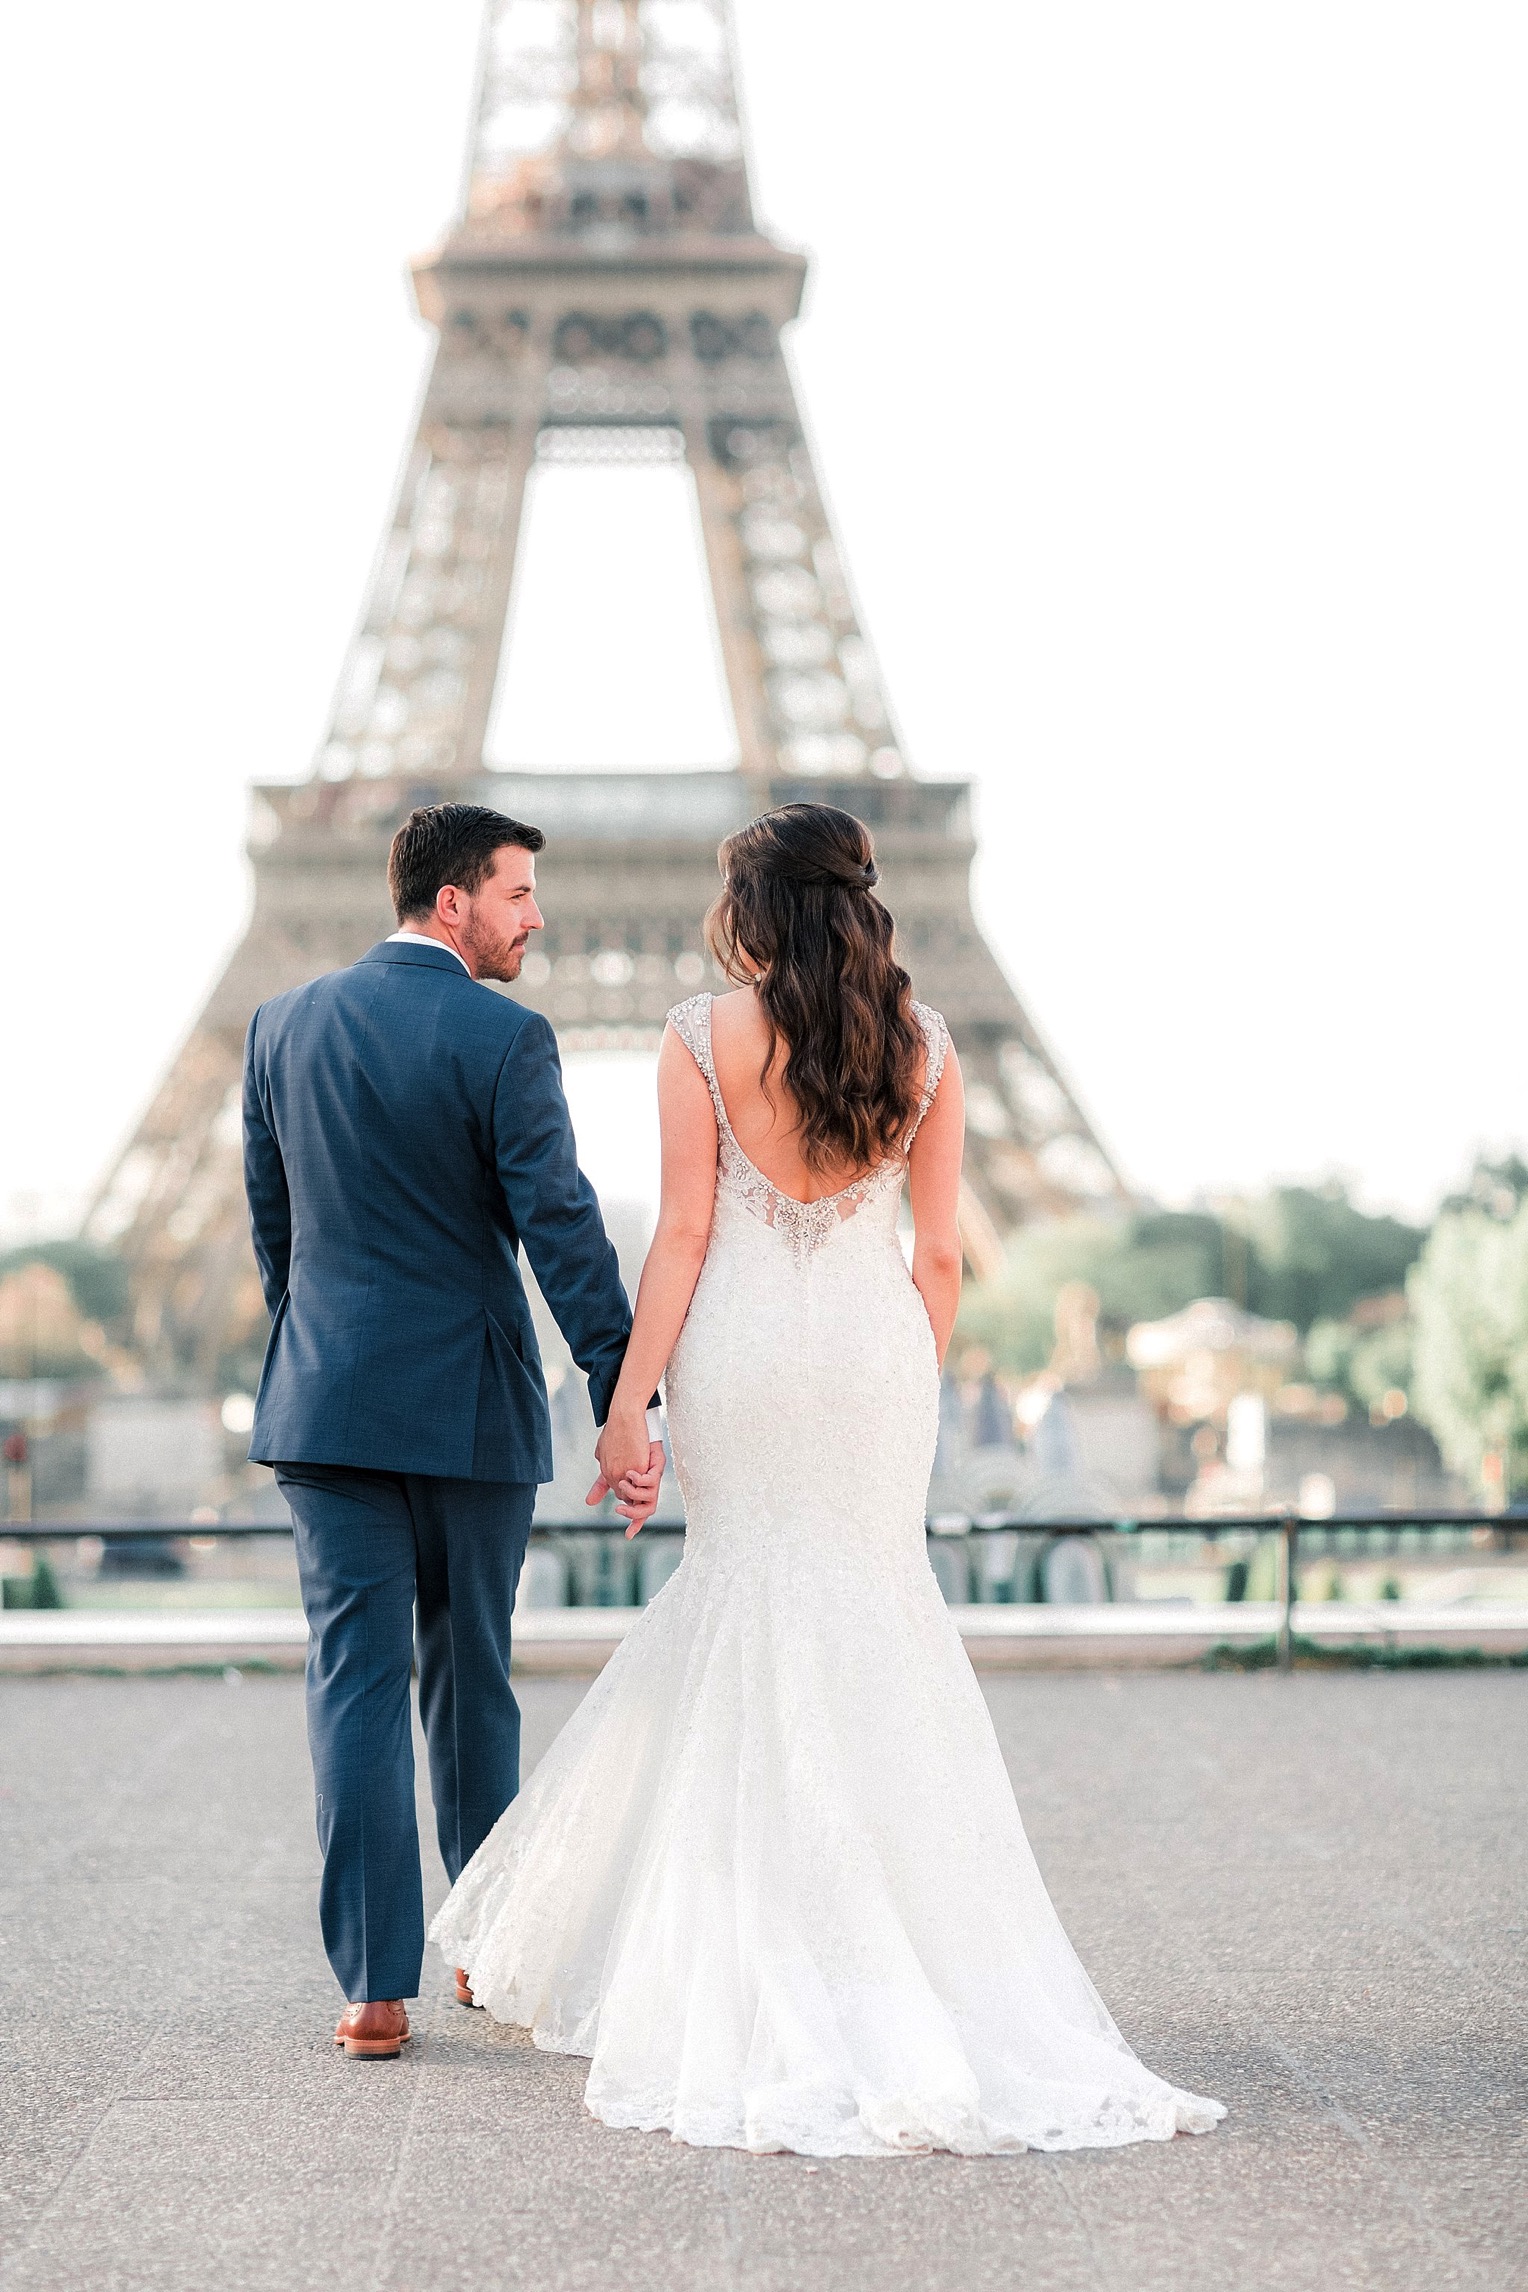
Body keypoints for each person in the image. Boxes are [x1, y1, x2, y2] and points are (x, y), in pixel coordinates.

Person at [433, 801, 1224, 2156]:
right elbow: (941, 1261)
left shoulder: (701, 1035)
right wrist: (907, 1372)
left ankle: (730, 1945)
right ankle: (903, 1958)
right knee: (875, 1612)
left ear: (750, 909)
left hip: (740, 1351)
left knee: (737, 1599)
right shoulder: (922, 1044)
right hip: (874, 1359)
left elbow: (683, 1237)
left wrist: (631, 1407)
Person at [243, 803, 662, 2059]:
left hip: (326, 1406)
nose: (536, 917)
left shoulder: (280, 1026)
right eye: (519, 894)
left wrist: (320, 1353)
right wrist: (618, 1393)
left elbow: (279, 1234)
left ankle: (373, 1991)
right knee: (471, 1676)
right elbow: (560, 1226)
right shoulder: (502, 1035)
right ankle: (487, 1949)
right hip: (470, 1407)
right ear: (451, 904)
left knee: (354, 1685)